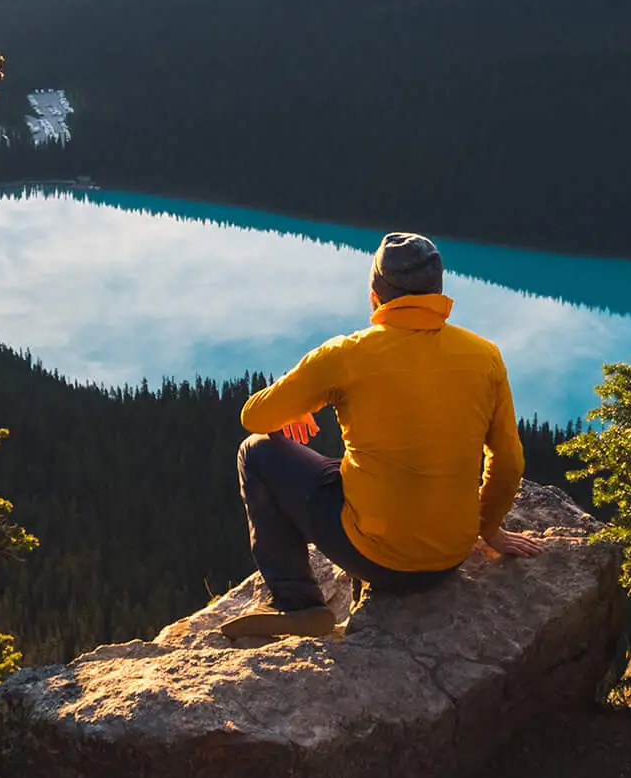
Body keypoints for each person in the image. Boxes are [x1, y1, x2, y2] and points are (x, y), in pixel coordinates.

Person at [225, 232, 544, 643]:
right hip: (451, 555)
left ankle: (300, 606)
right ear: (438, 291)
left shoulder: (348, 354)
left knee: (257, 453)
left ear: (375, 295)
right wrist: (490, 529)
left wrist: (303, 404)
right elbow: (509, 460)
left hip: (376, 559)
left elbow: (255, 416)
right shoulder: (485, 356)